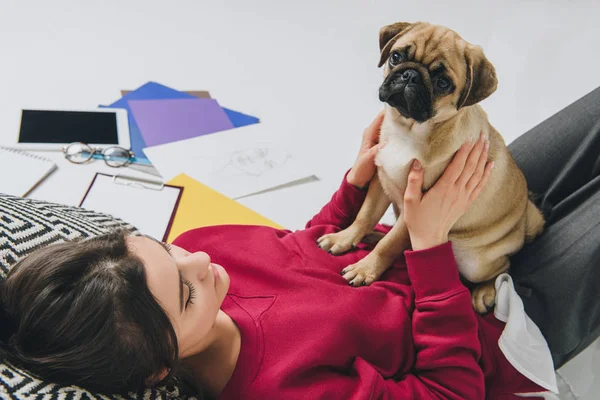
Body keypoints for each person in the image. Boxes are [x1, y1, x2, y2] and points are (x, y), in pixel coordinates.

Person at [1, 87, 599, 398]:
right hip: (503, 332)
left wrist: (356, 186)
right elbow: (449, 393)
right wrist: (430, 249)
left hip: (443, 231)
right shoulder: (280, 390)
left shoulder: (201, 248)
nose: (202, 260)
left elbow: (304, 249)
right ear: (161, 369)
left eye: (169, 251)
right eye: (186, 294)